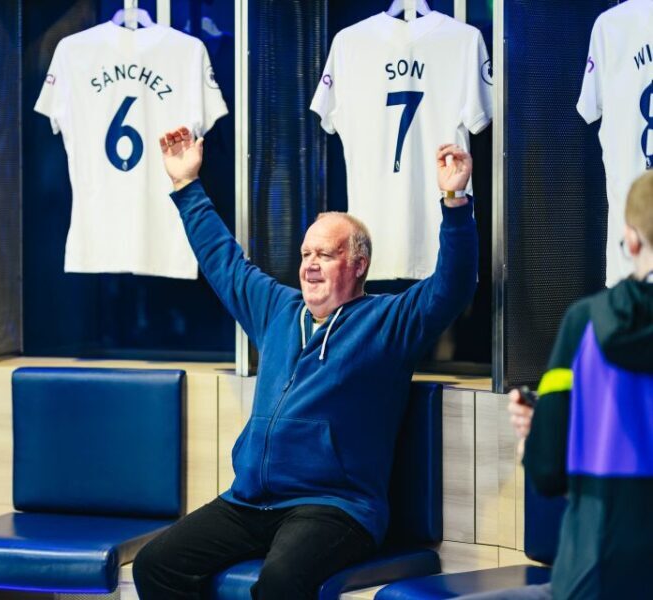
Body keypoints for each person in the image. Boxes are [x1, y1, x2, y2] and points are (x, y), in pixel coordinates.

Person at [132, 127, 479, 599]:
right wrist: (186, 184)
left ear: (358, 265)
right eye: (306, 254)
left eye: (326, 254)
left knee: (279, 583)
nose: (310, 264)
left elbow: (452, 286)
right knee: (156, 565)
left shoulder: (388, 322)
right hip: (250, 501)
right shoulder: (277, 310)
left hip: (335, 507)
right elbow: (223, 261)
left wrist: (455, 200)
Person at [505, 170, 653, 599]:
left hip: (598, 572)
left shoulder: (584, 323)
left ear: (631, 239)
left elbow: (548, 471)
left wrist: (539, 436)